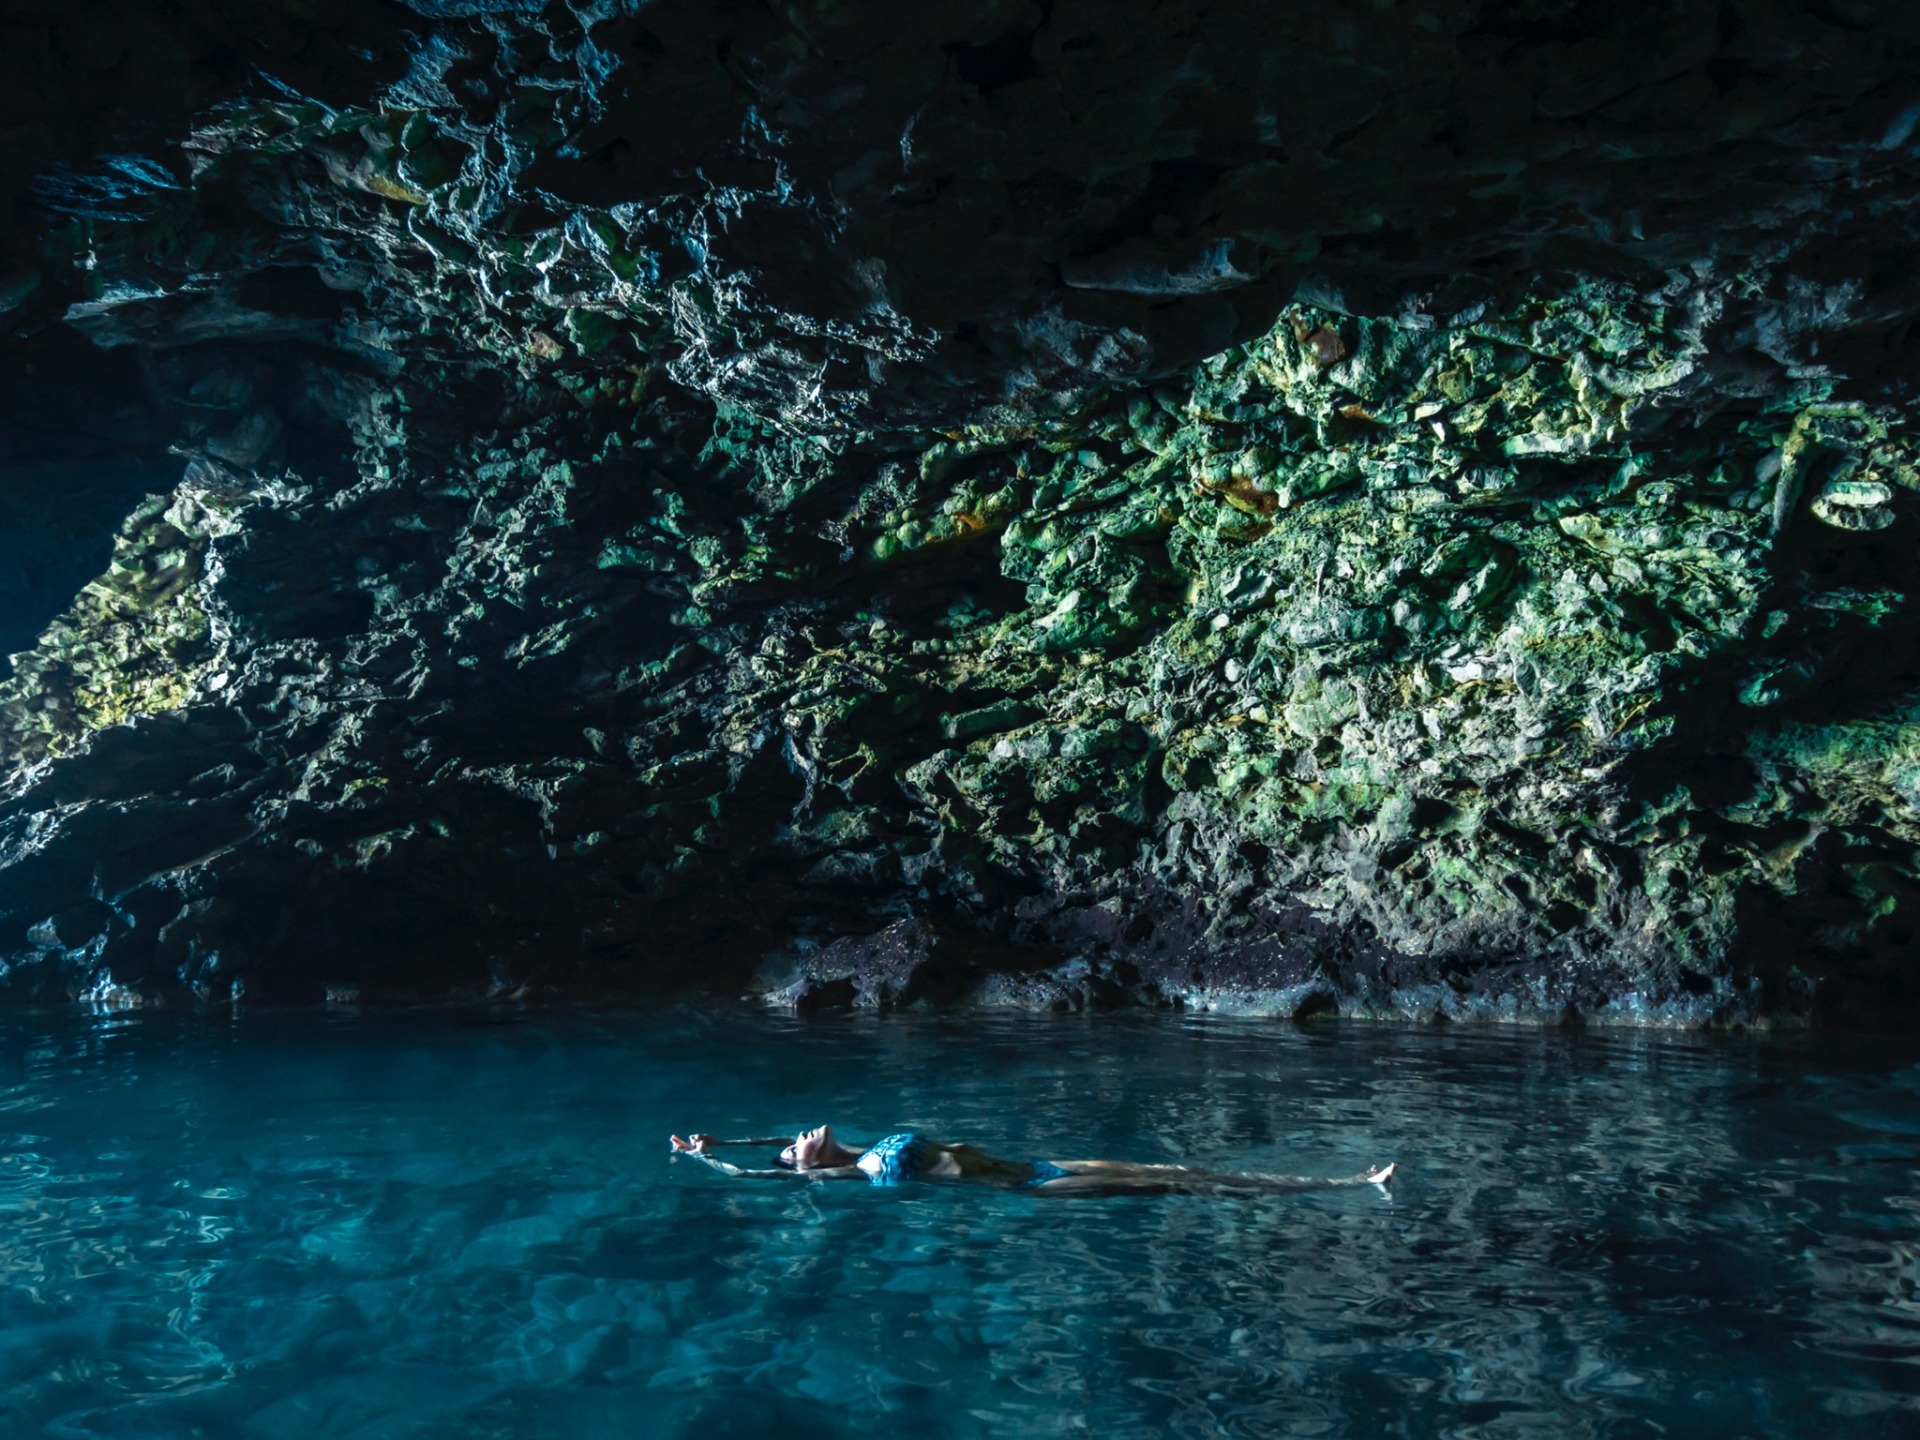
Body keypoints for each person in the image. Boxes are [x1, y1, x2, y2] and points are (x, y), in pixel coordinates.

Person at [668, 1125, 1394, 1197]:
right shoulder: (846, 1173)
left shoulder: (856, 1146)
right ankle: (1341, 1184)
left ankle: (1341, 1180)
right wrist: (713, 1164)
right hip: (1035, 1190)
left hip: (1038, 1160)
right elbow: (767, 1175)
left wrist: (724, 1138)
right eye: (795, 1145)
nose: (795, 1136)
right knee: (1176, 1184)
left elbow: (771, 1148)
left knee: (1173, 1167)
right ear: (809, 1164)